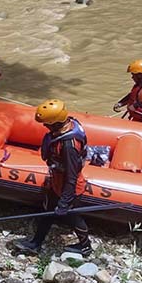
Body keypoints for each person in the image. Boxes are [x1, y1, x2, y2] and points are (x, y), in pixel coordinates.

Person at [15, 99, 92, 257]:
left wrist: (64, 201)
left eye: (47, 124)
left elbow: (71, 176)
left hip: (69, 187)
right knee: (47, 212)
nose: (45, 127)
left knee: (73, 217)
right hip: (57, 183)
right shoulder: (65, 126)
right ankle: (35, 243)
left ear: (56, 123)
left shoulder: (69, 146)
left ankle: (86, 246)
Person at [113, 59, 142, 123]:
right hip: (136, 119)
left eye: (133, 75)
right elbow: (132, 96)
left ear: (139, 75)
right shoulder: (139, 85)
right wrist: (120, 103)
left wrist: (136, 105)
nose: (132, 77)